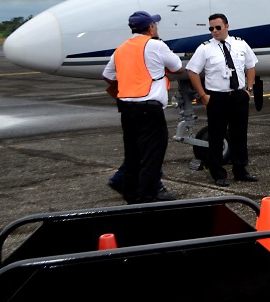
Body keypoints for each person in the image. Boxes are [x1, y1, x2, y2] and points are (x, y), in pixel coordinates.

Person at [102, 11, 182, 204]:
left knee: (132, 155)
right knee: (151, 156)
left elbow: (108, 75)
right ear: (151, 27)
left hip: (127, 108)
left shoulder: (121, 49)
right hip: (149, 108)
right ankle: (147, 197)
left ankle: (130, 196)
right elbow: (177, 66)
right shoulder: (155, 45)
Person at [186, 13, 259, 187]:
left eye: (218, 27)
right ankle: (218, 173)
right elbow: (192, 71)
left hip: (238, 95)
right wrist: (203, 95)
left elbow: (251, 66)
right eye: (211, 28)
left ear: (227, 26)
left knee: (239, 134)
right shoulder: (205, 48)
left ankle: (240, 170)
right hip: (217, 97)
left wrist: (248, 89)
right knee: (217, 136)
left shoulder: (240, 44)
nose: (214, 31)